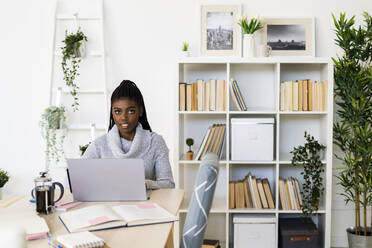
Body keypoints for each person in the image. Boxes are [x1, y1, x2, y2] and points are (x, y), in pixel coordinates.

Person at [83, 80, 175, 189]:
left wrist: (145, 184)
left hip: (146, 204)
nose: (123, 117)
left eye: (131, 111)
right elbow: (76, 178)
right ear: (112, 113)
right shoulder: (100, 145)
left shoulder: (155, 142)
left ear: (140, 111)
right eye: (118, 111)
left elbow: (168, 184)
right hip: (109, 204)